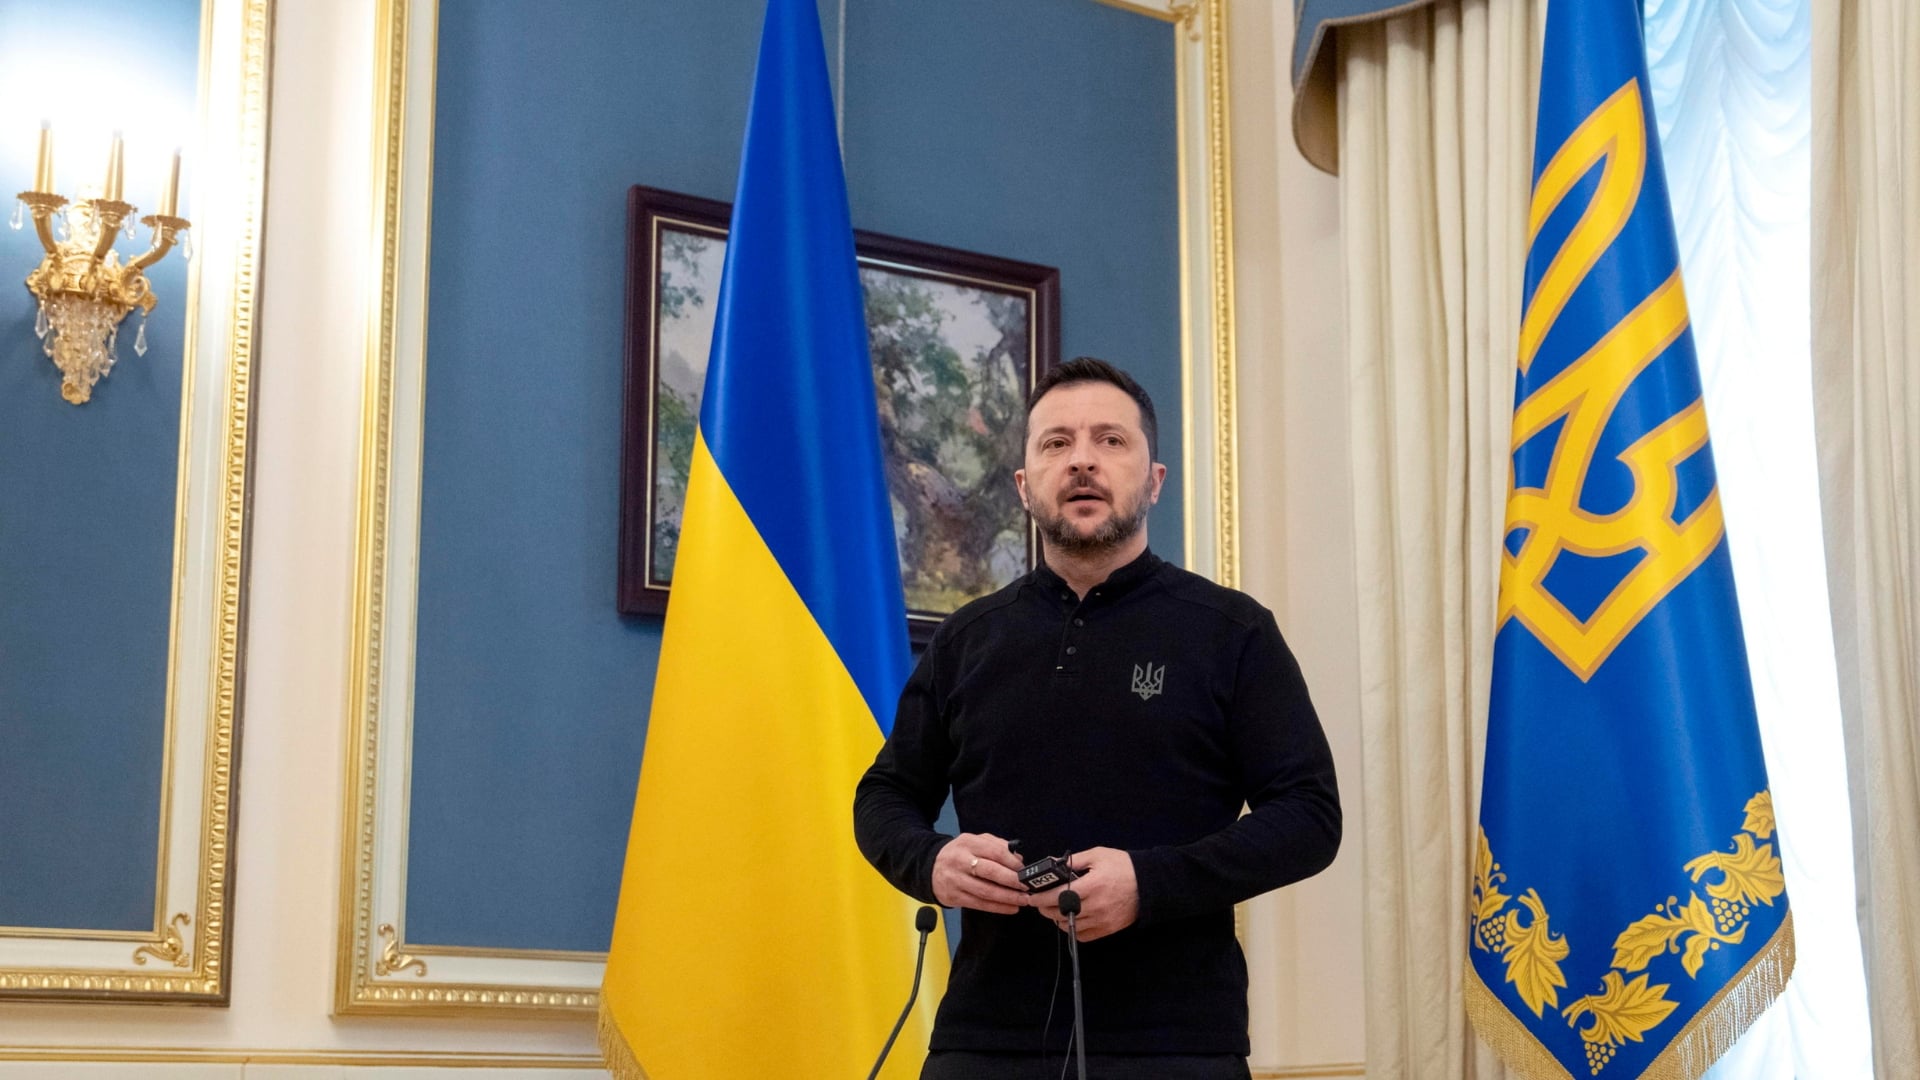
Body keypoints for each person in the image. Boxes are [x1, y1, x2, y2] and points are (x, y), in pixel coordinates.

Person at [854, 358, 1342, 1080]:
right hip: (985, 1039)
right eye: (1056, 443)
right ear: (1025, 486)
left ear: (1155, 480)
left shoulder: (1233, 631)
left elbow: (1309, 816)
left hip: (1178, 1043)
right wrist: (932, 862)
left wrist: (1150, 882)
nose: (1082, 460)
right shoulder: (966, 639)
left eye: (1111, 440)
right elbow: (884, 795)